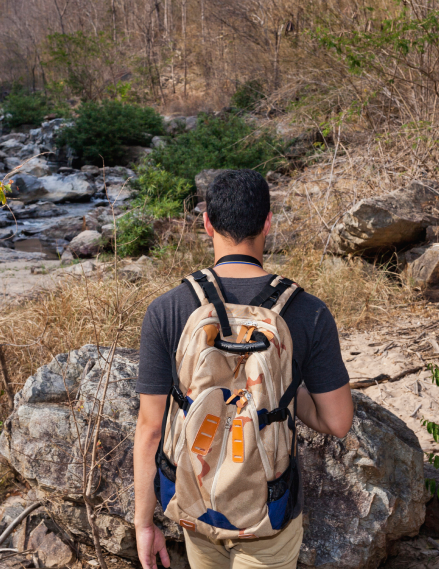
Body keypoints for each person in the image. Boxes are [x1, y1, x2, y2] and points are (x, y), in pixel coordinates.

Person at [133, 169, 354, 569]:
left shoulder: (167, 310)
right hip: (269, 513)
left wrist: (144, 522)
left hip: (197, 510)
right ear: (268, 222)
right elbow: (338, 421)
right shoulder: (308, 312)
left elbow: (150, 430)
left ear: (207, 224)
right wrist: (285, 389)